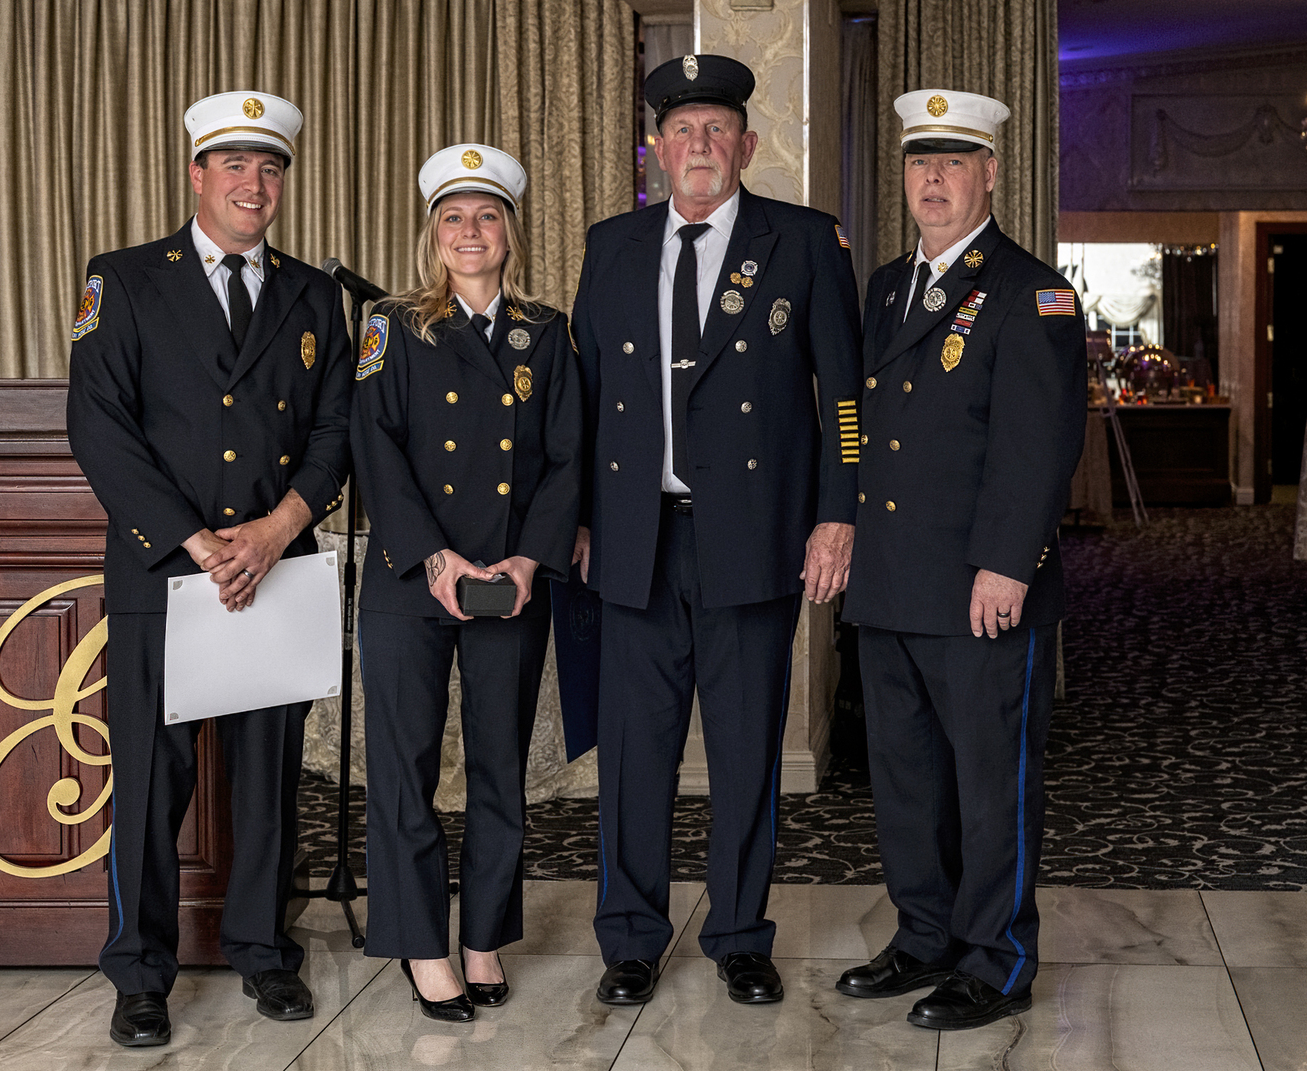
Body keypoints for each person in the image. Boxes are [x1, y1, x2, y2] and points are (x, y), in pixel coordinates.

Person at [571, 54, 864, 1007]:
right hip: (634, 539)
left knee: (745, 749)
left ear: (746, 144)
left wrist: (836, 514)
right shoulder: (611, 244)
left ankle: (740, 932)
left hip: (754, 537)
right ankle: (630, 936)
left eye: (716, 131)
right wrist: (576, 519)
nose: (699, 147)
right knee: (633, 752)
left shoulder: (804, 242)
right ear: (656, 149)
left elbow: (845, 400)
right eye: (682, 131)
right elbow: (580, 405)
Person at [66, 91, 354, 1047]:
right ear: (197, 174)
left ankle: (263, 952)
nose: (253, 183)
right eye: (233, 164)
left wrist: (276, 530)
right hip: (164, 572)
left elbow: (332, 430)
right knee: (152, 779)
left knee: (269, 779)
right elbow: (98, 427)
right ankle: (140, 972)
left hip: (277, 567)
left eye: (270, 167)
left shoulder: (315, 294)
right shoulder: (124, 280)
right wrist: (195, 541)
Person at [835, 89, 1086, 1031]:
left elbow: (1040, 443)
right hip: (894, 577)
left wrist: (1008, 563)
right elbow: (867, 427)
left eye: (952, 163)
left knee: (991, 786)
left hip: (983, 582)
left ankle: (998, 956)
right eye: (918, 163)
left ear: (990, 173)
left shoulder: (1034, 291)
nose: (932, 180)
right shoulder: (888, 285)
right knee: (906, 780)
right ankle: (924, 935)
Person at [350, 144, 581, 1022]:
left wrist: (525, 561)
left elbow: (566, 461)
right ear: (433, 233)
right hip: (414, 576)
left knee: (498, 769)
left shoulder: (545, 331)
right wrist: (439, 560)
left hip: (511, 582)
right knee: (403, 771)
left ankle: (482, 935)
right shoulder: (388, 324)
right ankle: (420, 944)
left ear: (510, 232)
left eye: (486, 216)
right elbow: (377, 447)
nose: (470, 231)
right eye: (454, 216)